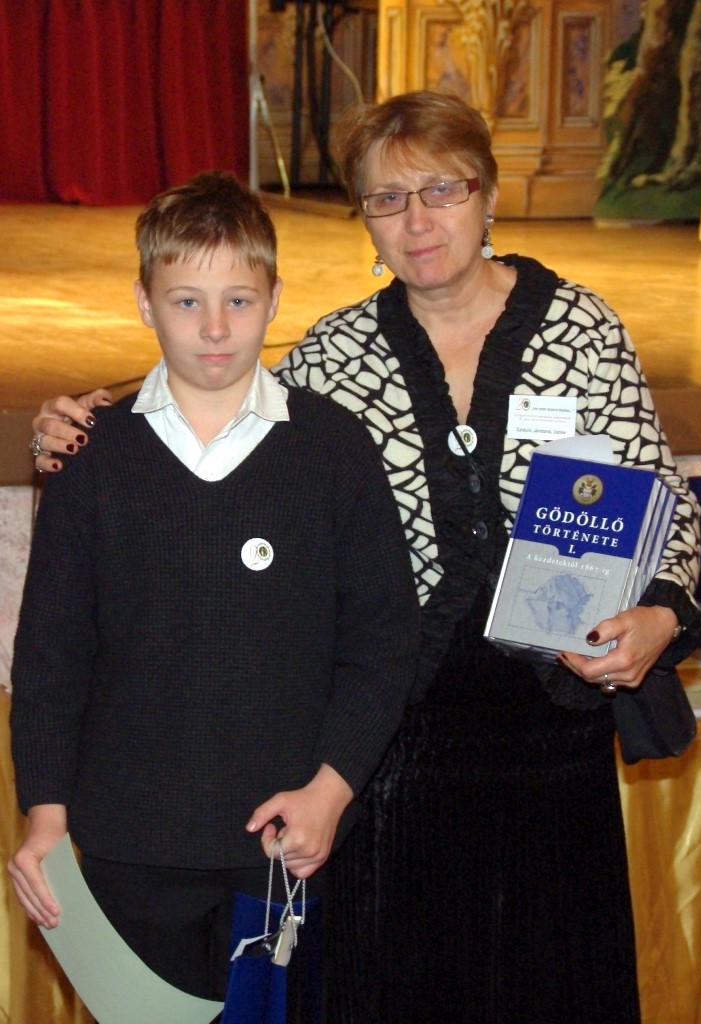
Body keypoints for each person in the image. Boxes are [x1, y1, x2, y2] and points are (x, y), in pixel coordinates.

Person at [26, 93, 701, 1024]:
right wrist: (79, 418)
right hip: (391, 754)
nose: (417, 221)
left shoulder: (581, 330)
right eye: (387, 199)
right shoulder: (336, 355)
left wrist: (659, 614)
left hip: (550, 734)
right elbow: (214, 392)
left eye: (441, 190)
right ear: (365, 223)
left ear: (488, 195)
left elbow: (664, 506)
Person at [8, 169, 420, 1014]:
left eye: (238, 299)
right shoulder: (92, 456)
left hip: (281, 839)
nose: (215, 327)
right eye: (186, 301)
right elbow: (50, 655)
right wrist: (44, 813)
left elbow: (382, 641)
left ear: (275, 299)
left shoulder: (332, 448)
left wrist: (330, 789)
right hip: (128, 842)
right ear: (143, 303)